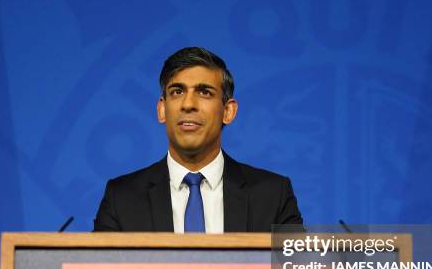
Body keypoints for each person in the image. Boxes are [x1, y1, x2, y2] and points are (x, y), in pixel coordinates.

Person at [93, 47, 303, 232]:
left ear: (228, 111)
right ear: (162, 109)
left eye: (204, 92)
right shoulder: (121, 198)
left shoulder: (272, 195)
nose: (188, 104)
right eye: (177, 92)